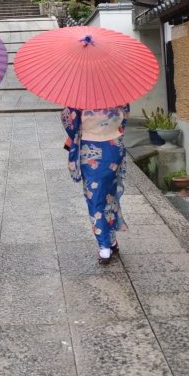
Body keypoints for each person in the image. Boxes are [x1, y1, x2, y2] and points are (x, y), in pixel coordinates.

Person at [61, 104, 129, 264]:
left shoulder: (77, 96)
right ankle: (111, 240)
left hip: (91, 149)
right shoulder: (119, 94)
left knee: (95, 199)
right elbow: (124, 120)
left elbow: (70, 124)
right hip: (114, 147)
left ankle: (104, 246)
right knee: (110, 195)